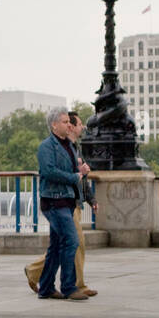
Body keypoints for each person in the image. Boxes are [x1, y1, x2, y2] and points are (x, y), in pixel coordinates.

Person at [36, 109, 88, 300]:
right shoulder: (46, 147)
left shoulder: (69, 146)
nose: (69, 125)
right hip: (54, 201)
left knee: (57, 246)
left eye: (69, 122)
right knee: (71, 241)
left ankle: (46, 288)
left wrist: (82, 171)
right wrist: (74, 176)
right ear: (54, 125)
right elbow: (49, 171)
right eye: (65, 122)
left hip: (67, 201)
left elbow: (75, 172)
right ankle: (69, 287)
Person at [69, 112, 98, 298]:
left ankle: (33, 271)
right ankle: (78, 285)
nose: (83, 128)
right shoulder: (62, 148)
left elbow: (81, 179)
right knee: (77, 243)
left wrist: (92, 199)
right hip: (66, 202)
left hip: (75, 201)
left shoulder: (75, 148)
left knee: (61, 246)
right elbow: (59, 174)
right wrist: (79, 171)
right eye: (80, 124)